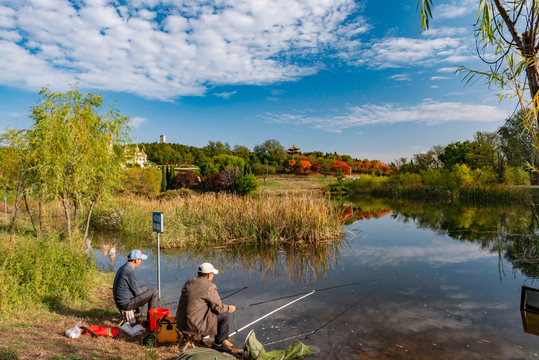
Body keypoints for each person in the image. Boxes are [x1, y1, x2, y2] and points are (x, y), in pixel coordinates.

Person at [176, 262, 237, 353]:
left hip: (181, 322)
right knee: (224, 316)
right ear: (209, 275)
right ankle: (218, 344)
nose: (212, 276)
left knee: (204, 307)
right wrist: (230, 309)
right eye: (212, 274)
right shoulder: (210, 286)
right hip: (193, 325)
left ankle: (205, 337)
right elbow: (219, 308)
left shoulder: (189, 282)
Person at [113, 249, 159, 319]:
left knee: (145, 288)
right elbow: (138, 293)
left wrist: (145, 296)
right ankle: (151, 320)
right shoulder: (130, 271)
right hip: (125, 304)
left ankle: (139, 313)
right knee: (154, 292)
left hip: (120, 301)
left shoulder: (124, 267)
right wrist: (146, 297)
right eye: (140, 259)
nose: (141, 261)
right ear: (136, 260)